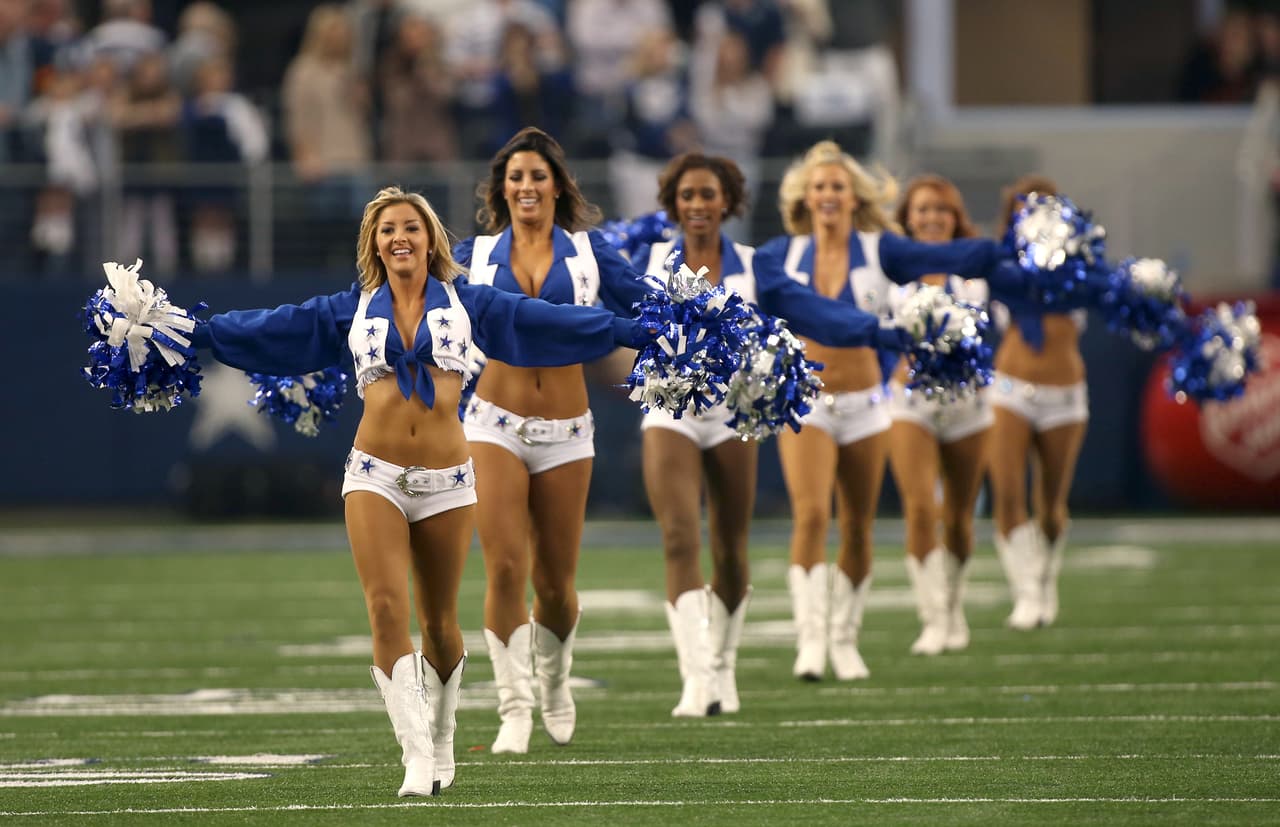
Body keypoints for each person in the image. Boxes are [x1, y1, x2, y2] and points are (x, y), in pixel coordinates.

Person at [187, 186, 653, 796]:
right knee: (385, 610)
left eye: (409, 227)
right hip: (373, 475)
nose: (398, 238)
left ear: (431, 238)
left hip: (448, 482)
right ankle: (414, 755)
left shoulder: (472, 304)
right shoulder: (349, 308)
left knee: (438, 625)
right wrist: (182, 331)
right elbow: (270, 330)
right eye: (386, 231)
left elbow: (553, 323)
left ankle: (441, 734)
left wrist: (636, 330)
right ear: (373, 245)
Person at [635, 151, 913, 715]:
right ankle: (696, 675)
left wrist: (883, 333)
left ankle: (724, 666)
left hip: (735, 414)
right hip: (668, 413)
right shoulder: (649, 257)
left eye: (708, 195)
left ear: (728, 203)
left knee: (730, 549)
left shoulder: (752, 263)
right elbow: (603, 305)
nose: (697, 206)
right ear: (674, 204)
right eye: (687, 195)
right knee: (679, 537)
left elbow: (815, 312)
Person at [752, 140, 1007, 681]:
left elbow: (941, 257)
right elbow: (779, 306)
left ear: (853, 197)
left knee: (859, 526)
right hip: (807, 402)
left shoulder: (880, 249)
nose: (828, 195)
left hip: (869, 403)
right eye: (819, 186)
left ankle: (845, 637)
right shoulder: (780, 255)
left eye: (838, 186)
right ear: (804, 195)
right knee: (812, 514)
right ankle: (811, 639)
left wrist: (994, 251)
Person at [451, 127, 661, 754]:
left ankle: (557, 682)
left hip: (568, 429)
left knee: (556, 582)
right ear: (501, 189)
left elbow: (651, 310)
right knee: (505, 565)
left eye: (537, 176)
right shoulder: (475, 254)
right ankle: (513, 706)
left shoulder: (591, 253)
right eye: (515, 177)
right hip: (493, 423)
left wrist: (705, 333)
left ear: (557, 186)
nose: (526, 187)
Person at [885, 175, 991, 656]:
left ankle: (954, 606)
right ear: (908, 216)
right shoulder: (887, 271)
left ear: (955, 218)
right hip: (909, 402)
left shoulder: (975, 273)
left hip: (967, 401)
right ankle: (932, 617)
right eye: (923, 209)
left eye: (941, 211)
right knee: (920, 508)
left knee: (960, 518)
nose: (931, 218)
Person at [987, 175, 1088, 631]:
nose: (1034, 216)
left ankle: (1046, 583)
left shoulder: (1082, 261)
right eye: (1025, 209)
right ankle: (1026, 593)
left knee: (1049, 503)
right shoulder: (1000, 261)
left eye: (1044, 207)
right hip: (1009, 387)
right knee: (1007, 494)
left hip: (1064, 392)